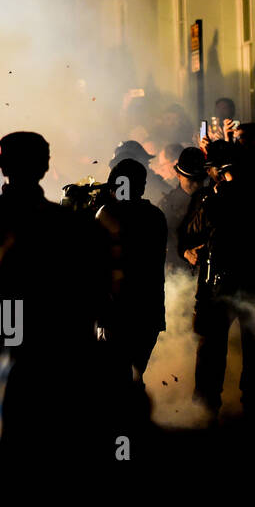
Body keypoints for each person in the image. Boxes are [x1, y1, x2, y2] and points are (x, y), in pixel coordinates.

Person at [0, 132, 113, 493]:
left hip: (5, 360)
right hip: (68, 359)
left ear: (0, 166)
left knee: (7, 468)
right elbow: (101, 295)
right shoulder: (74, 226)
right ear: (46, 166)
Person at [183, 148, 255, 418]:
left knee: (211, 347)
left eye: (213, 170)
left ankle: (205, 408)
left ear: (222, 171)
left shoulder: (215, 199)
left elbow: (195, 229)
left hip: (219, 287)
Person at [95, 159, 168, 381]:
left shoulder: (106, 214)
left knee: (114, 378)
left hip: (116, 312)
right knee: (134, 374)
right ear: (142, 187)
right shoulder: (155, 216)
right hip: (148, 313)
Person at [162, 147, 208, 271]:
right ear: (178, 175)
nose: (196, 185)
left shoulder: (210, 199)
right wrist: (185, 253)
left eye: (200, 180)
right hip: (180, 275)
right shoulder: (167, 206)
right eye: (191, 180)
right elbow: (163, 244)